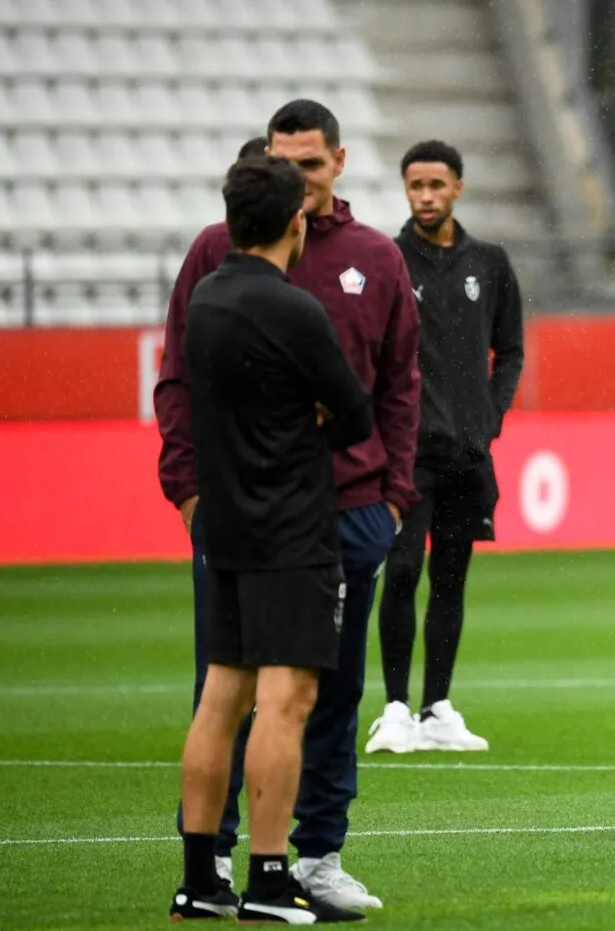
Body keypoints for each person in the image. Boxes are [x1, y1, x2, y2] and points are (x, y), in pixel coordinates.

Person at [155, 99, 421, 909]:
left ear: (337, 163)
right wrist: (185, 488)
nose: (296, 178)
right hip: (280, 517)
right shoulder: (227, 257)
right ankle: (257, 867)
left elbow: (405, 382)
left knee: (316, 696)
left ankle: (312, 856)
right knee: (268, 695)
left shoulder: (374, 258)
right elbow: (179, 381)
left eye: (309, 163)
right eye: (281, 162)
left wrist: (396, 500)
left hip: (344, 511)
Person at [169, 155, 371, 924]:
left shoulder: (207, 299)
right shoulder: (294, 310)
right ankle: (267, 877)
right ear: (295, 223)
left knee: (221, 697)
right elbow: (353, 414)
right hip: (292, 527)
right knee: (287, 703)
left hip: (224, 526)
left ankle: (198, 877)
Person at [367, 140, 524, 754]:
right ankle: (395, 709)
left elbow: (509, 348)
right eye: (415, 186)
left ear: (457, 187)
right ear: (406, 190)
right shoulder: (388, 261)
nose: (425, 197)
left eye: (436, 185)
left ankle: (436, 708)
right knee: (402, 570)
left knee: (452, 578)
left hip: (468, 452)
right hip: (406, 454)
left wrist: (491, 414)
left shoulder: (488, 262)